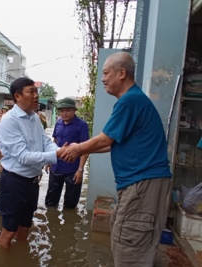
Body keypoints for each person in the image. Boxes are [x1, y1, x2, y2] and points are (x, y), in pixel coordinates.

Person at [65, 52, 172, 267]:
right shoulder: (135, 100)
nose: (103, 78)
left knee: (128, 248)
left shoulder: (129, 101)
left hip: (141, 185)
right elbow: (111, 144)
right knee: (134, 241)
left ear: (121, 73)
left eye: (105, 73)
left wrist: (77, 148)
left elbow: (104, 140)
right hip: (144, 184)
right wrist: (82, 150)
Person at [0, 77, 70, 249]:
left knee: (25, 226)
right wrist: (57, 155)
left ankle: (21, 258)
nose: (36, 96)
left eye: (36, 91)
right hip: (14, 182)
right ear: (17, 96)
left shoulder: (34, 118)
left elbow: (44, 141)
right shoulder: (9, 121)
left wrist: (59, 150)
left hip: (32, 181)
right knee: (8, 231)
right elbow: (23, 156)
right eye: (31, 91)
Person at [45, 97, 89, 209]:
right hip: (56, 167)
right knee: (50, 202)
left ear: (74, 110)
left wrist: (80, 170)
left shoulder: (82, 125)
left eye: (67, 110)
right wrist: (50, 159)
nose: (64, 113)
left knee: (71, 204)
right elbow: (54, 143)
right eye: (62, 110)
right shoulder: (58, 123)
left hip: (73, 170)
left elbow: (85, 150)